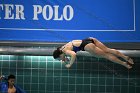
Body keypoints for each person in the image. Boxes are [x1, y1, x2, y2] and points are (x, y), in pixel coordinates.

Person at [53, 37, 134, 69]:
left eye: (59, 58)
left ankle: (124, 64)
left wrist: (70, 64)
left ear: (60, 55)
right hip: (89, 39)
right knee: (108, 49)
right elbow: (69, 52)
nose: (61, 59)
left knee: (106, 55)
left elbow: (73, 54)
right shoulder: (62, 47)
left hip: (87, 46)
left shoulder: (65, 51)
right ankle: (125, 57)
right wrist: (66, 59)